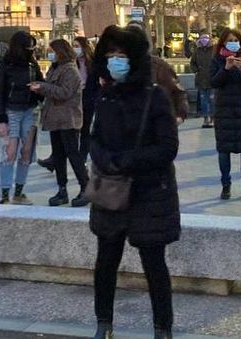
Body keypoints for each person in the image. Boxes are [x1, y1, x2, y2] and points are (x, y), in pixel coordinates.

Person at [87, 25, 179, 339]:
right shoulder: (105, 96)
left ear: (135, 59)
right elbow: (94, 139)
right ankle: (104, 324)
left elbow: (167, 148)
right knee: (105, 263)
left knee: (154, 266)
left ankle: (162, 328)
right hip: (111, 191)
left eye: (121, 55)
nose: (115, 60)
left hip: (150, 192)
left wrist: (127, 161)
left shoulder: (155, 97)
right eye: (110, 54)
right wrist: (104, 159)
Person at [31, 39, 89, 207]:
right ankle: (61, 189)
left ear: (60, 52)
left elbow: (64, 92)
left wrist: (42, 87)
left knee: (73, 154)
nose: (49, 54)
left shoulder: (70, 70)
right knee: (58, 156)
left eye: (52, 51)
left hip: (68, 119)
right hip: (55, 118)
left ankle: (85, 186)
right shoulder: (55, 68)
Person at [0, 30, 43, 205]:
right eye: (28, 46)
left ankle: (19, 192)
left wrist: (39, 89)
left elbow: (41, 83)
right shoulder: (3, 65)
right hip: (10, 110)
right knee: (10, 152)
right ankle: (5, 194)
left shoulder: (32, 65)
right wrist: (1, 120)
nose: (31, 50)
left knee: (27, 151)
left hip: (30, 109)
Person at [211, 29, 241, 200]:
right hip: (224, 111)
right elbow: (214, 82)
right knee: (224, 152)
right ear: (223, 42)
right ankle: (226, 185)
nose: (233, 43)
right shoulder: (217, 59)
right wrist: (225, 68)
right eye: (229, 40)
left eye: (235, 40)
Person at [189, 32, 216, 129]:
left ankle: (212, 118)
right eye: (202, 38)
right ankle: (205, 118)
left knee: (212, 100)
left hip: (212, 79)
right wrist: (196, 71)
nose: (204, 40)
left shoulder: (214, 50)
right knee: (204, 100)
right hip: (201, 79)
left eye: (206, 38)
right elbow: (192, 63)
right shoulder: (197, 51)